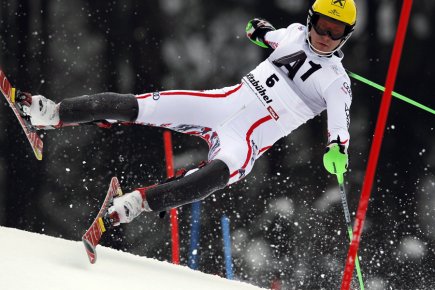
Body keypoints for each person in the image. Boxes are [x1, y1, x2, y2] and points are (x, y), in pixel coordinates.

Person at [16, 0, 357, 227]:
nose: (327, 37)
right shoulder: (296, 34)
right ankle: (50, 113)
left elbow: (340, 126)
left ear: (346, 36)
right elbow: (265, 32)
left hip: (245, 140)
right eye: (323, 26)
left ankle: (134, 204)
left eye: (337, 32)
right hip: (218, 104)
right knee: (134, 105)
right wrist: (258, 30)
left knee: (209, 179)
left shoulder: (336, 82)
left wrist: (336, 149)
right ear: (311, 21)